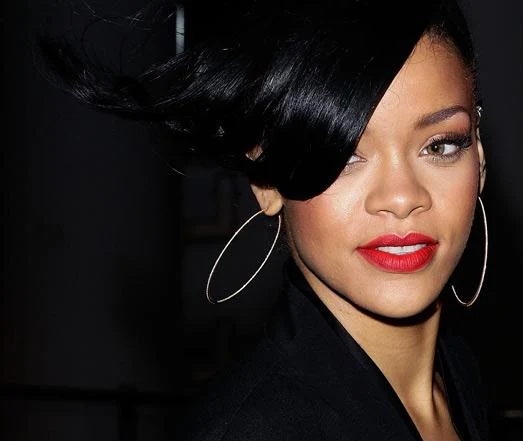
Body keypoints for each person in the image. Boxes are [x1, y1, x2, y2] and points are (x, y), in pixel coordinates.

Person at [41, 0, 491, 439]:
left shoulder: (460, 374)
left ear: (480, 159)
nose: (401, 198)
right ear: (267, 181)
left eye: (440, 145)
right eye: (343, 154)